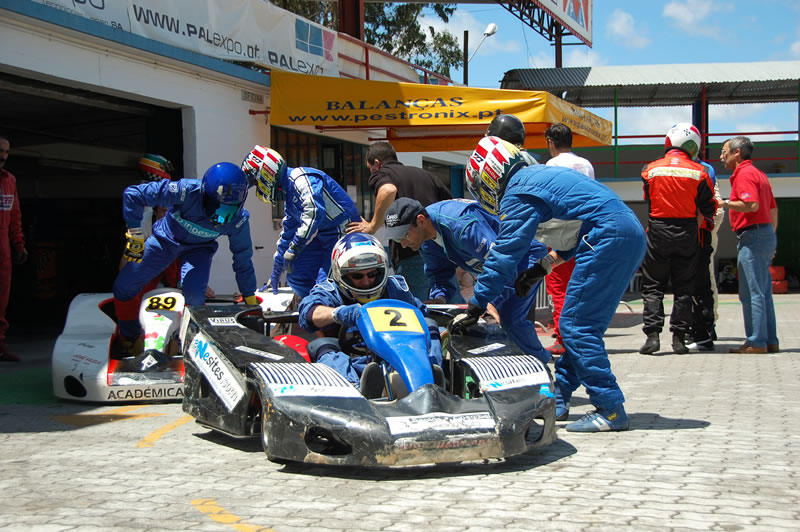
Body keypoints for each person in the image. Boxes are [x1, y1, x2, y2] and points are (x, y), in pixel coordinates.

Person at [457, 136, 646, 432]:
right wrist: (541, 269)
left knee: (576, 326)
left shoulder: (517, 191)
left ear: (488, 178)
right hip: (625, 231)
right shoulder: (538, 176)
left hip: (607, 236)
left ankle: (610, 409)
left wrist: (478, 301)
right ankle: (560, 399)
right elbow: (579, 225)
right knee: (581, 325)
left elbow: (507, 250)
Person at [112, 162, 258, 358]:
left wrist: (250, 297)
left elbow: (243, 259)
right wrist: (135, 233)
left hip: (199, 250)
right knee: (124, 286)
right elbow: (133, 194)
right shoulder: (185, 191)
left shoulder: (239, 220)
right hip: (164, 241)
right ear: (205, 194)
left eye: (229, 210)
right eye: (218, 207)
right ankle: (129, 339)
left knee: (195, 297)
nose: (221, 217)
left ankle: (188, 344)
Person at [385, 197, 550, 364]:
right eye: (398, 240)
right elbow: (440, 275)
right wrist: (440, 299)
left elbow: (503, 263)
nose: (404, 245)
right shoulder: (427, 241)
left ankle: (540, 368)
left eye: (404, 235)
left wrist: (489, 301)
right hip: (502, 266)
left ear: (420, 220)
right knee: (481, 319)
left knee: (510, 318)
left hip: (524, 258)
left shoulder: (461, 225)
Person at [297, 232, 442, 396]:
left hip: (399, 357)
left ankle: (433, 380)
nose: (367, 281)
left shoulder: (395, 287)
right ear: (340, 274)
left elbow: (421, 312)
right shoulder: (329, 290)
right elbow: (308, 313)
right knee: (322, 345)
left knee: (430, 325)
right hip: (353, 361)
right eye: (357, 276)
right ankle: (356, 392)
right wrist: (339, 313)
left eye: (372, 274)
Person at [241, 145, 360, 300]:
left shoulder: (300, 178)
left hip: (344, 233)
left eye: (256, 183)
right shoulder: (290, 197)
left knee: (325, 286)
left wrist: (295, 246)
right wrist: (277, 269)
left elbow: (314, 212)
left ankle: (329, 311)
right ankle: (318, 309)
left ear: (266, 173)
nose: (258, 188)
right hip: (327, 236)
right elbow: (288, 233)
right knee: (296, 276)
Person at [638, 123, 717, 355]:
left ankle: (652, 337)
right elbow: (709, 208)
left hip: (658, 230)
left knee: (653, 286)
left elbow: (649, 199)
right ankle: (679, 340)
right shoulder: (700, 172)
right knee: (684, 288)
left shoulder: (650, 169)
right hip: (687, 232)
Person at [346, 142, 452, 301]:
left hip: (410, 254)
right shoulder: (425, 175)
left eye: (370, 168)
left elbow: (388, 190)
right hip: (442, 251)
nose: (371, 173)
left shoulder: (382, 173)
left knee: (417, 310)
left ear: (377, 163)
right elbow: (449, 206)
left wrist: (372, 226)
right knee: (448, 307)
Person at [720, 136, 779, 354]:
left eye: (724, 151)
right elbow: (773, 209)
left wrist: (724, 203)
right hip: (764, 234)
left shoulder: (743, 174)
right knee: (763, 291)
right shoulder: (759, 174)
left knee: (751, 292)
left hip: (752, 236)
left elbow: (751, 204)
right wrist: (770, 238)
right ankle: (770, 340)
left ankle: (756, 342)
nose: (721, 156)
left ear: (737, 153)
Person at [542, 123, 596, 356]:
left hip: (560, 232)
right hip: (585, 232)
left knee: (558, 286)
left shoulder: (551, 165)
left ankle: (564, 339)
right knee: (580, 285)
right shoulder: (586, 164)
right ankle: (581, 335)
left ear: (550, 143)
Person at [687, 159, 725, 351]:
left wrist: (698, 226)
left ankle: (708, 324)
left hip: (699, 230)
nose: (721, 156)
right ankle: (695, 324)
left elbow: (715, 208)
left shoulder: (704, 169)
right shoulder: (697, 168)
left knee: (704, 275)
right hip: (690, 229)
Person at [0, 136, 27, 362]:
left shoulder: (10, 180)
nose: (3, 156)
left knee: (2, 301)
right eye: (0, 151)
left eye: (6, 152)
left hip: (4, 252)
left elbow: (15, 215)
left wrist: (18, 243)